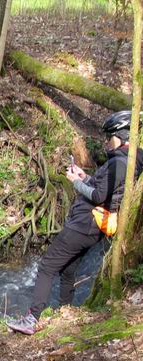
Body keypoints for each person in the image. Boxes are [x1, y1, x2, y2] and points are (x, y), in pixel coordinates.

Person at [8, 110, 143, 335]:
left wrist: (75, 182)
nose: (107, 142)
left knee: (47, 266)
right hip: (93, 227)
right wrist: (84, 177)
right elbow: (106, 190)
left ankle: (31, 319)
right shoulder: (128, 161)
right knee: (68, 270)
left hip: (84, 223)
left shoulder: (119, 163)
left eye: (110, 136)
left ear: (120, 135)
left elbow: (99, 196)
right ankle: (65, 312)